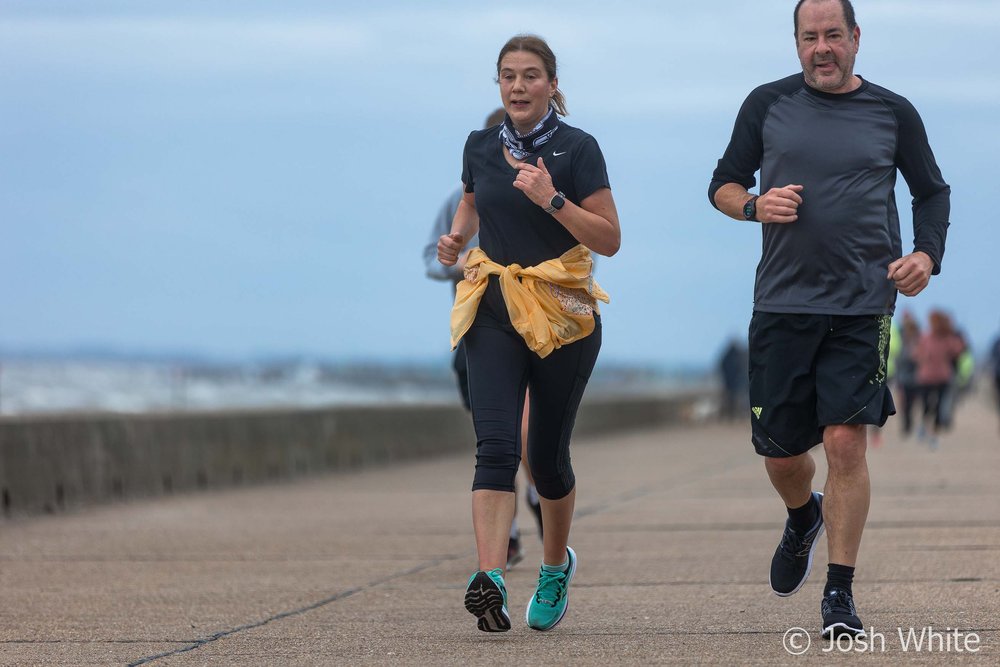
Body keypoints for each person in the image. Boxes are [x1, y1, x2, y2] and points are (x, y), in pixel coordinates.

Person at [708, 0, 950, 641]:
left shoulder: (893, 112)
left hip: (862, 304)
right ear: (796, 44)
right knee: (783, 456)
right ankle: (801, 516)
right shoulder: (766, 104)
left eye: (833, 35)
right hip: (782, 306)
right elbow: (723, 184)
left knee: (846, 443)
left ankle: (838, 594)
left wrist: (926, 253)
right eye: (810, 37)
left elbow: (932, 191)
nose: (823, 47)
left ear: (856, 39)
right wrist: (755, 205)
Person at [438, 33, 620, 633]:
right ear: (498, 84)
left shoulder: (578, 149)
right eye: (508, 76)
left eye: (530, 76)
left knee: (546, 460)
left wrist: (553, 199)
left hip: (563, 316)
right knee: (495, 446)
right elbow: (471, 201)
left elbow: (609, 240)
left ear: (551, 84)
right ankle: (490, 578)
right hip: (493, 307)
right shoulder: (479, 146)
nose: (517, 86)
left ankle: (553, 565)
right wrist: (458, 238)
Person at [423, 108, 544, 570]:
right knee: (495, 440)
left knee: (525, 433)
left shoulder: (550, 186)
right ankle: (510, 532)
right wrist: (466, 261)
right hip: (478, 328)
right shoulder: (462, 197)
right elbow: (433, 257)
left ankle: (535, 495)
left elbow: (583, 255)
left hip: (536, 330)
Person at [913, 310, 965, 448]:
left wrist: (953, 334)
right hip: (926, 377)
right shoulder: (926, 337)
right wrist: (921, 358)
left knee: (939, 408)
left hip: (943, 377)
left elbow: (959, 350)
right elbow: (917, 353)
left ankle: (934, 434)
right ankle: (924, 426)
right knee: (926, 405)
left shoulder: (948, 338)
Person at [718, 337, 749, 421]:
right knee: (733, 398)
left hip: (734, 381)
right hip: (733, 381)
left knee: (736, 398)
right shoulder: (734, 356)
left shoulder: (729, 356)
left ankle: (734, 415)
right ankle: (733, 415)